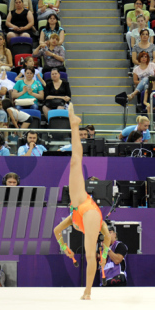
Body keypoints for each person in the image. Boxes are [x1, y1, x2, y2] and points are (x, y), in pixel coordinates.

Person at [53, 104, 111, 299]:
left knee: (75, 161)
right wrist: (65, 248)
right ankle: (74, 125)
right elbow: (56, 231)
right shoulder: (76, 220)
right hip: (82, 207)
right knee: (74, 162)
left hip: (86, 208)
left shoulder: (97, 223)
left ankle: (87, 292)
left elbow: (108, 238)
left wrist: (103, 256)